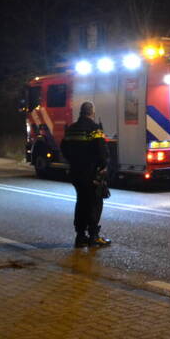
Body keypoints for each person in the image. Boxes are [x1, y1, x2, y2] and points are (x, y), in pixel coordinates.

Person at [60, 101, 111, 248]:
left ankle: (80, 236)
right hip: (91, 173)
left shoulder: (71, 129)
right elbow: (102, 153)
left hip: (76, 173)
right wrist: (103, 167)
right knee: (95, 203)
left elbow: (64, 148)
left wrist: (73, 161)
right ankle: (94, 236)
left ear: (81, 112)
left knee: (81, 202)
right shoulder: (95, 129)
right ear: (92, 113)